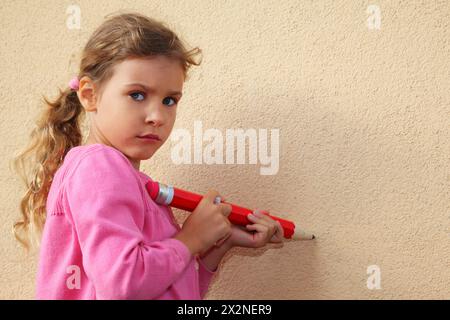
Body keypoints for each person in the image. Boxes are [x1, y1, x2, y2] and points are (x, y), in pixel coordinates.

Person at [12, 11, 284, 300]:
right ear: (90, 95)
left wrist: (217, 246)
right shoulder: (99, 167)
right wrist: (190, 239)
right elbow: (123, 285)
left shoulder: (125, 179)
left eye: (169, 100)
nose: (157, 116)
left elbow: (164, 290)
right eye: (138, 95)